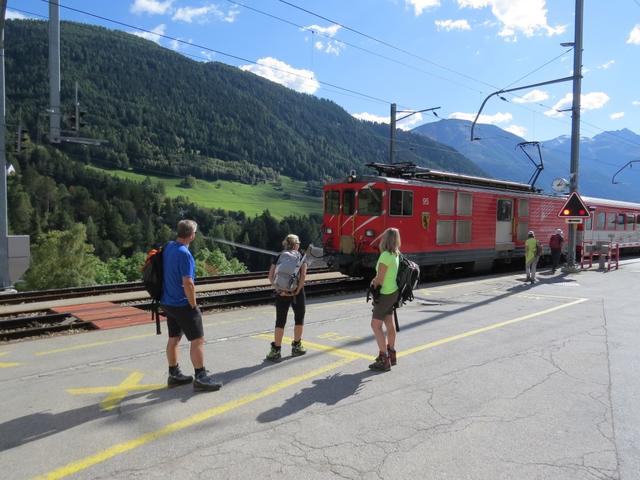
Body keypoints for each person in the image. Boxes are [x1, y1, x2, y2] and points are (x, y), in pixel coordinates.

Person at [161, 219, 222, 392]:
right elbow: (188, 283)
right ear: (192, 235)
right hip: (182, 304)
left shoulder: (169, 247)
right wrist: (193, 304)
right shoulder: (185, 254)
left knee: (174, 339)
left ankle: (174, 374)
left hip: (167, 302)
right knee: (197, 340)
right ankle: (201, 377)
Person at [266, 234, 308, 362]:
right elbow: (303, 276)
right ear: (296, 244)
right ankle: (296, 347)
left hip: (281, 292)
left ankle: (276, 351)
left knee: (280, 320)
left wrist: (279, 289)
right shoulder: (301, 257)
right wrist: (296, 291)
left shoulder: (279, 256)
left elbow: (270, 276)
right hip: (297, 293)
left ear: (285, 244)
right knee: (299, 318)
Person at [368, 227, 401, 372]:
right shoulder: (396, 254)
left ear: (385, 239)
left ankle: (384, 358)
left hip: (385, 294)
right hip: (393, 292)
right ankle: (392, 354)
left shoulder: (385, 256)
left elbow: (380, 279)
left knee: (375, 326)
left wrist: (372, 285)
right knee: (388, 322)